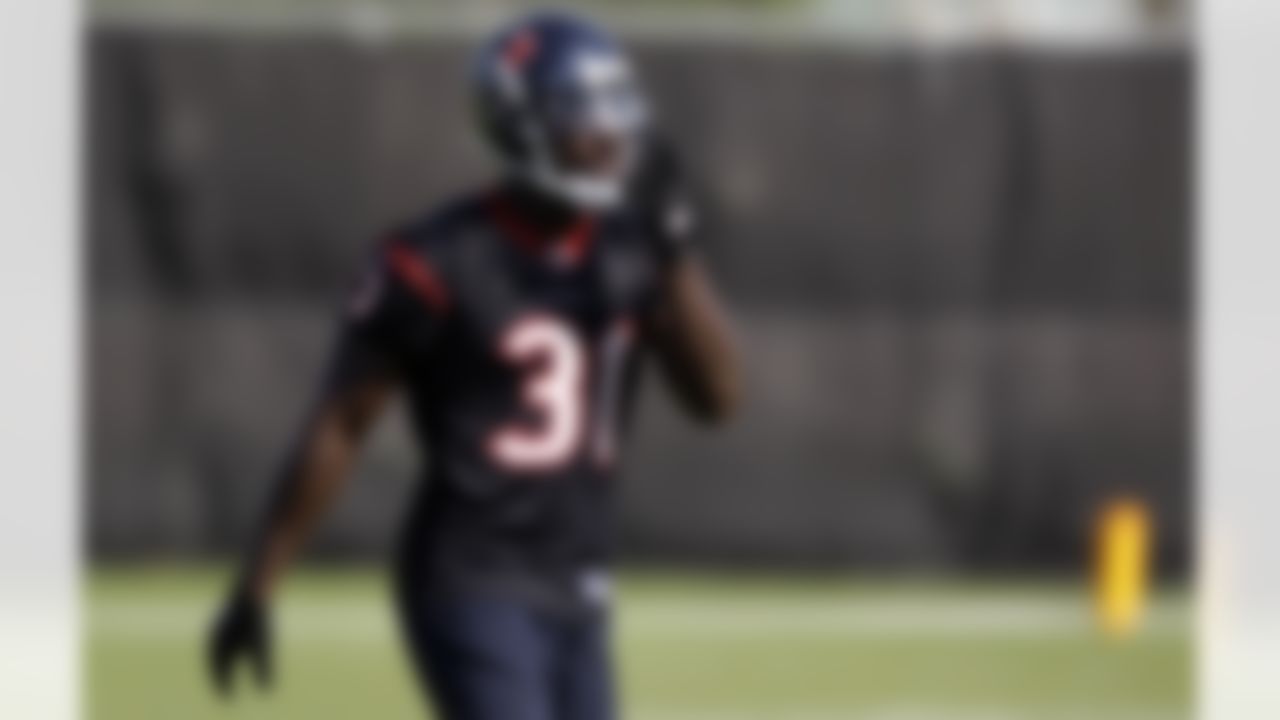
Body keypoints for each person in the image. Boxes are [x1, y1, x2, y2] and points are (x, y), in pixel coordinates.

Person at [207, 11, 739, 720]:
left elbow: (719, 399)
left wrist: (678, 245)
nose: (610, 133)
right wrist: (258, 584)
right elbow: (342, 422)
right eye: (582, 113)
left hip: (579, 584)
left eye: (615, 107)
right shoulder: (434, 259)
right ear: (523, 128)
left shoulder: (636, 247)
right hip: (471, 579)